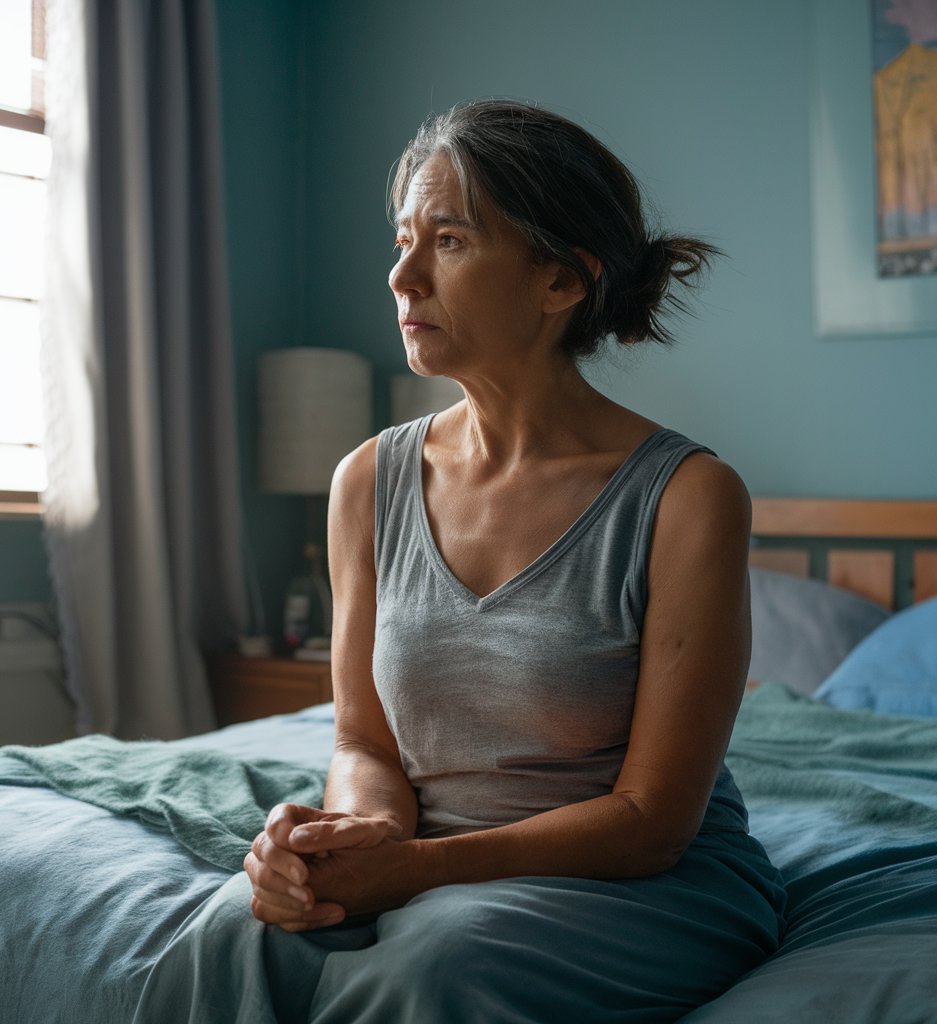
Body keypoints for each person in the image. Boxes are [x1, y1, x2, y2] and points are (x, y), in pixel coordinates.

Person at [243, 99, 786, 1021]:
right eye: (405, 238)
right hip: (428, 853)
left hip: (633, 881)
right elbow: (364, 742)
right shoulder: (366, 480)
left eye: (447, 241)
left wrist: (416, 870)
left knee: (434, 967)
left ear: (563, 281)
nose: (401, 275)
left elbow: (653, 823)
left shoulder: (689, 497)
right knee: (236, 937)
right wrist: (354, 839)